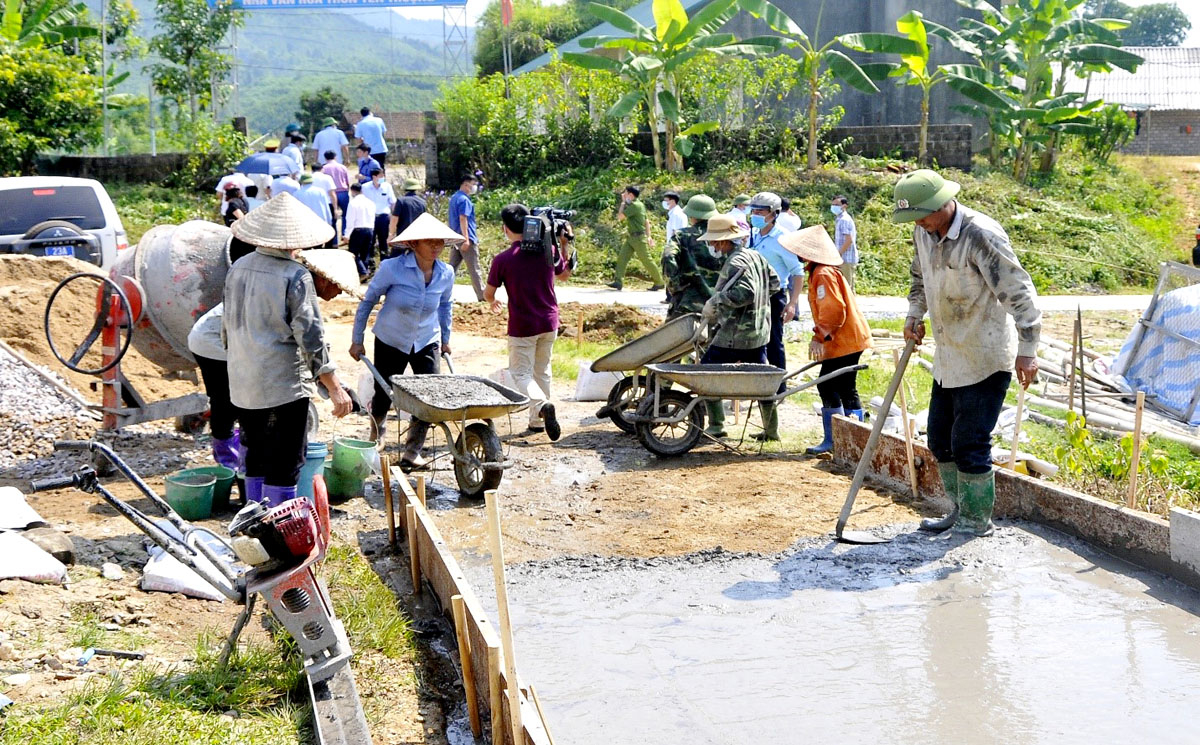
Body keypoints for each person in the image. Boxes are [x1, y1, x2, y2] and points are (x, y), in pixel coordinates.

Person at [895, 168, 1041, 537]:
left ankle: (977, 523)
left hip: (985, 355)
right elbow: (919, 278)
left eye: (922, 215)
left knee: (970, 441)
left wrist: (1028, 348)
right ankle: (959, 512)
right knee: (940, 440)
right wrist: (915, 314)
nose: (919, 223)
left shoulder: (980, 235)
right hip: (949, 355)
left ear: (942, 204)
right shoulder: (923, 232)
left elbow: (1019, 291)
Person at [221, 194, 354, 507]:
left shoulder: (238, 267)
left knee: (254, 453)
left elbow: (226, 328)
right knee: (285, 460)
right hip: (283, 386)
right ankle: (279, 531)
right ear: (295, 240)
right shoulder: (295, 275)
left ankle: (253, 524)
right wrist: (335, 388)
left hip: (242, 382)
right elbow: (311, 337)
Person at [350, 213, 458, 470]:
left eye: (439, 242)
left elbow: (445, 306)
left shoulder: (446, 273)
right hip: (392, 337)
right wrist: (357, 339)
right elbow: (368, 302)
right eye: (429, 241)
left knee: (427, 395)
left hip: (426, 339)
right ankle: (376, 436)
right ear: (413, 244)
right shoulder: (392, 268)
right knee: (384, 390)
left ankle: (412, 451)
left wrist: (445, 339)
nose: (435, 247)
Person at [484, 203, 574, 441]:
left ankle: (542, 406)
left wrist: (493, 301)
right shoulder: (549, 251)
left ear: (505, 229)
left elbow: (488, 293)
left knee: (521, 373)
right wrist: (563, 244)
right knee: (542, 370)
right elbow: (564, 275)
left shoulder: (502, 259)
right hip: (549, 322)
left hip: (522, 325)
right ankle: (536, 421)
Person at [779, 226, 871, 454]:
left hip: (845, 339)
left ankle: (848, 442)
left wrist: (819, 337)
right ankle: (844, 440)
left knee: (835, 385)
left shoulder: (823, 274)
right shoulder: (820, 272)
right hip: (844, 338)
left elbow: (833, 310)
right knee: (838, 385)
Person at [698, 215, 779, 438]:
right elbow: (774, 283)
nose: (713, 246)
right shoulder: (755, 256)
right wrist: (759, 307)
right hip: (759, 332)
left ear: (725, 242)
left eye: (714, 242)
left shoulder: (735, 262)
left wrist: (718, 301)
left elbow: (745, 293)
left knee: (706, 372)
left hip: (736, 334)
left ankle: (716, 425)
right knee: (762, 381)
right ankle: (771, 430)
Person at [747, 191, 805, 441]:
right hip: (753, 296)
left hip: (774, 295)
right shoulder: (752, 235)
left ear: (773, 214)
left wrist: (793, 303)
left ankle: (778, 387)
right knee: (755, 342)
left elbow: (797, 272)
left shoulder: (782, 239)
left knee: (774, 342)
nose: (756, 215)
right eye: (754, 211)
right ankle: (758, 381)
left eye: (760, 212)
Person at [661, 194, 724, 318]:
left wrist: (674, 285)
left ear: (691, 215)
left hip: (686, 303)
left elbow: (668, 257)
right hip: (718, 305)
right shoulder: (724, 238)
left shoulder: (682, 236)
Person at [610, 185, 664, 292]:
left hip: (638, 238)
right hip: (632, 237)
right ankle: (618, 281)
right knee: (622, 258)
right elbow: (646, 221)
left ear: (630, 195)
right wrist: (649, 236)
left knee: (647, 260)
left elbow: (620, 217)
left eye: (625, 193)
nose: (623, 195)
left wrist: (623, 203)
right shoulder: (639, 205)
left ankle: (659, 282)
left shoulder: (635, 206)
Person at [447, 174, 486, 301]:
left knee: (451, 269)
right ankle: (482, 296)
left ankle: (441, 293)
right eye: (472, 184)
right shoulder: (464, 200)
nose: (474, 187)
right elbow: (463, 218)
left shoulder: (454, 198)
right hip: (465, 239)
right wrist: (466, 239)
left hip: (456, 238)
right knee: (474, 268)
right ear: (465, 184)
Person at [361, 167, 396, 274]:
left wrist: (393, 216)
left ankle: (384, 266)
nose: (382, 178)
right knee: (369, 242)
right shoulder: (365, 187)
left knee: (384, 242)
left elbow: (393, 202)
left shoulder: (387, 186)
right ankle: (370, 267)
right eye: (380, 176)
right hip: (370, 218)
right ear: (374, 177)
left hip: (384, 217)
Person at [344, 182, 376, 280]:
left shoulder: (353, 203)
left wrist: (347, 235)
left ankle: (363, 272)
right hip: (369, 229)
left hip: (357, 230)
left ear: (352, 191)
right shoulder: (370, 202)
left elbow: (350, 220)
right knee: (365, 253)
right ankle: (364, 274)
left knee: (353, 253)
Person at [295, 174, 334, 247]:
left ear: (302, 182)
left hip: (304, 222)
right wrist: (329, 221)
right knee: (318, 244)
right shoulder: (320, 191)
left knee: (306, 245)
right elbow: (326, 207)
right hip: (319, 220)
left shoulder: (297, 193)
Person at [390, 178, 426, 251]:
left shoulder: (401, 201)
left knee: (397, 258)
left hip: (403, 236)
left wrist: (391, 234)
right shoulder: (422, 202)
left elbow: (394, 219)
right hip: (417, 237)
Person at [322, 150, 351, 238]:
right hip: (343, 191)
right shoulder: (342, 167)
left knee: (332, 215)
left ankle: (333, 236)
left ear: (325, 158)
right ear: (335, 157)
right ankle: (344, 234)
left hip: (331, 193)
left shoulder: (324, 168)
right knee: (346, 215)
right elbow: (347, 181)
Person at [831, 195, 858, 290]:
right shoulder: (839, 219)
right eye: (833, 204)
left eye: (837, 204)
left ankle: (850, 305)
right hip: (843, 259)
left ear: (844, 206)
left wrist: (838, 254)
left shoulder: (844, 220)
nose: (834, 207)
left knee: (846, 288)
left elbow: (849, 240)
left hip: (845, 259)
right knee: (843, 288)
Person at [354, 107, 388, 171]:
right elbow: (384, 133)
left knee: (370, 168)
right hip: (381, 148)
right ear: (370, 112)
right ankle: (382, 180)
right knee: (381, 167)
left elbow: (358, 139)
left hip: (368, 150)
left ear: (361, 115)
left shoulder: (360, 124)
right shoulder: (379, 120)